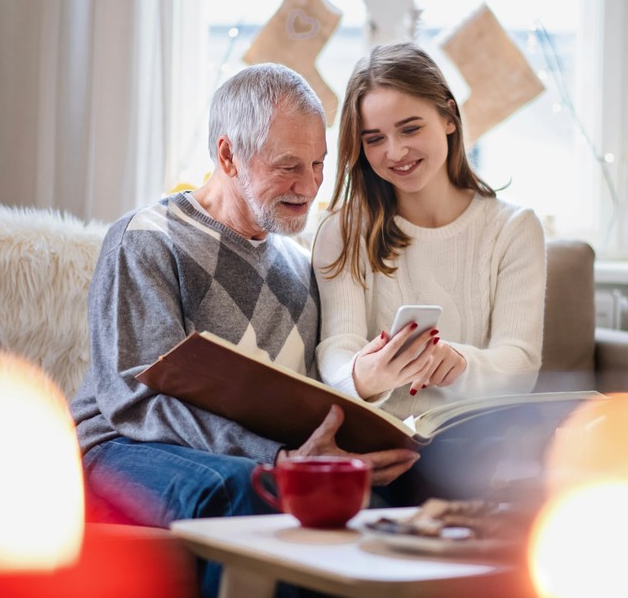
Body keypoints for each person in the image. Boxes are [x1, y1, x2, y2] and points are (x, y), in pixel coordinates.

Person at [71, 63, 418, 597]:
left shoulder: (302, 265)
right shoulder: (146, 239)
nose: (309, 186)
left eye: (319, 164)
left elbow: (297, 400)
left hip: (257, 451)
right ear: (228, 155)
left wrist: (345, 449)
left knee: (385, 506)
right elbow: (134, 401)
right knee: (245, 490)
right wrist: (274, 459)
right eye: (288, 167)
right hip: (122, 445)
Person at [312, 43, 546, 498]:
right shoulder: (343, 231)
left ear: (449, 118)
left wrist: (457, 365)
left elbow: (520, 365)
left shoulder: (514, 229)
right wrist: (367, 374)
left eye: (409, 128)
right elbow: (337, 346)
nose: (394, 151)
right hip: (383, 454)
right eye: (374, 138)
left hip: (478, 452)